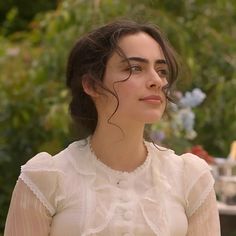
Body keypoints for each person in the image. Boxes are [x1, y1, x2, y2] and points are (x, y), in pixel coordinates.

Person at [4, 20, 220, 236]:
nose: (156, 81)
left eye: (162, 70)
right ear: (91, 85)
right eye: (135, 68)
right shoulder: (45, 179)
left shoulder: (190, 179)